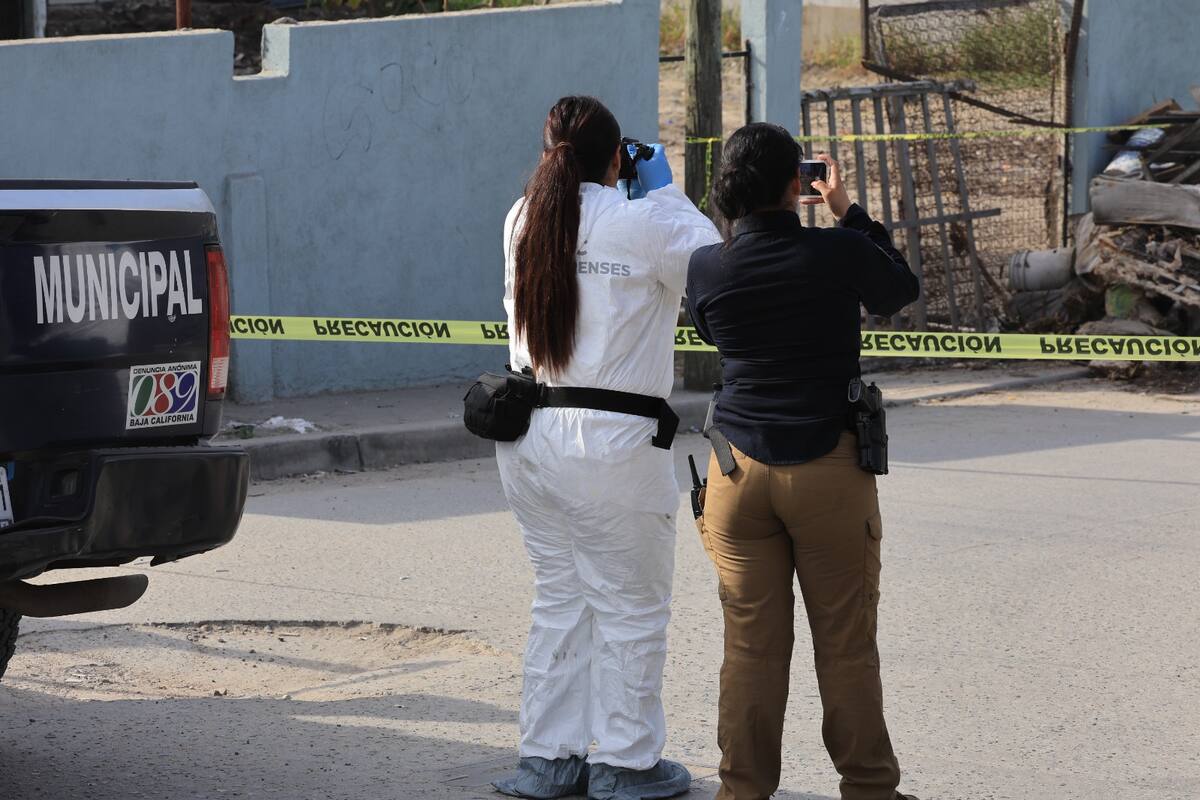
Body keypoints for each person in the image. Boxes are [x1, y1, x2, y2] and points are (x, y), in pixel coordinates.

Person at [492, 95, 721, 800]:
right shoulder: (644, 220)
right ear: (618, 158)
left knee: (561, 600)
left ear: (547, 148)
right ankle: (624, 763)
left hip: (531, 437)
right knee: (629, 607)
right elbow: (715, 269)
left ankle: (547, 759)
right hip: (612, 444)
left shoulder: (523, 219)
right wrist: (668, 193)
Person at [685, 122, 921, 800]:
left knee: (751, 648)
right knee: (844, 642)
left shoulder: (708, 266)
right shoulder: (840, 249)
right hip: (828, 470)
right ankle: (869, 788)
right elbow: (896, 291)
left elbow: (711, 326)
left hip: (736, 473)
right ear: (799, 185)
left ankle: (742, 790)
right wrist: (848, 210)